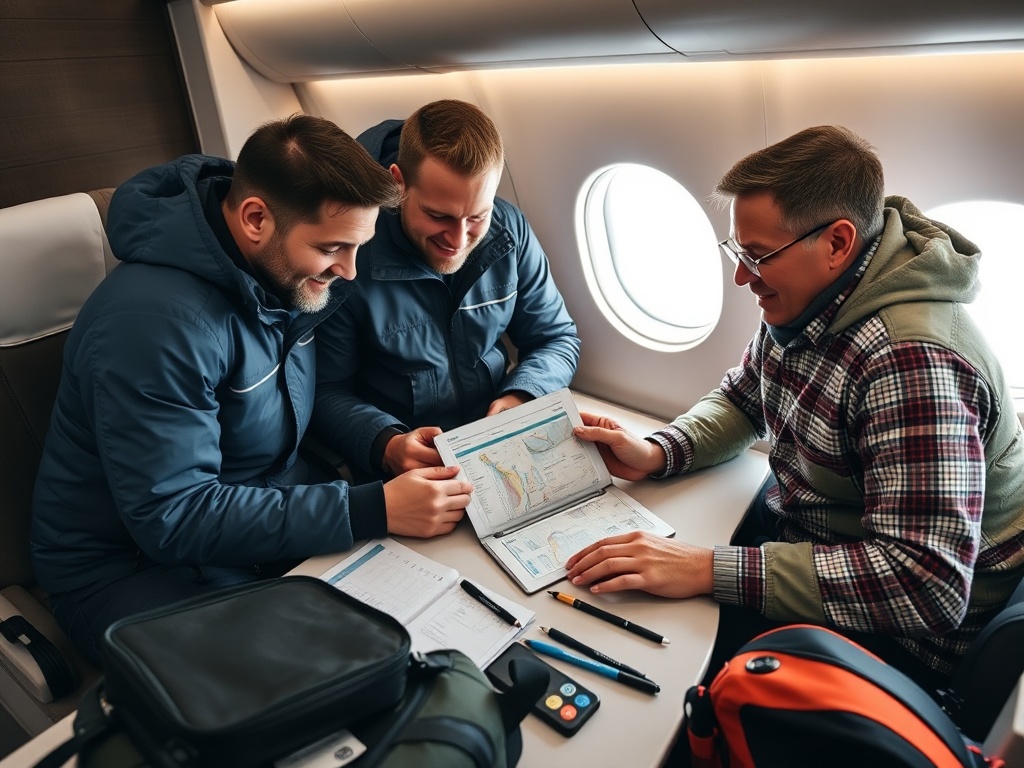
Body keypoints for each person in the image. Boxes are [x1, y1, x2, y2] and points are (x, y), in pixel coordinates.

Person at [565, 125, 1024, 697]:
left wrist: (709, 569)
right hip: (814, 537)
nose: (740, 276)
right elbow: (745, 395)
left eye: (757, 256)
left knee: (654, 660)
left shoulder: (912, 363)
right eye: (738, 251)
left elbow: (925, 585)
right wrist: (660, 450)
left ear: (836, 243)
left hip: (906, 639)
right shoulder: (813, 299)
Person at [31, 115, 473, 664]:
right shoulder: (152, 325)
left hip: (255, 521)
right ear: (255, 218)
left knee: (427, 625)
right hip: (132, 568)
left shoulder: (279, 277)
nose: (351, 272)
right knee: (306, 685)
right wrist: (369, 509)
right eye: (335, 247)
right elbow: (175, 517)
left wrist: (385, 444)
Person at [310, 99, 580, 481]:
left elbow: (555, 338)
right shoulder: (351, 255)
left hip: (498, 453)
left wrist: (522, 395)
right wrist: (384, 443)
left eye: (477, 217)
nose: (458, 240)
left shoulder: (509, 231)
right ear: (398, 182)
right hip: (405, 470)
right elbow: (323, 391)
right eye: (439, 216)